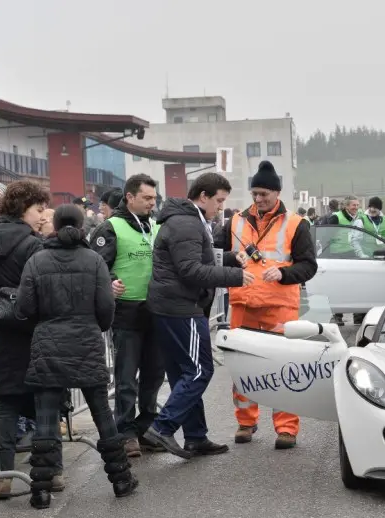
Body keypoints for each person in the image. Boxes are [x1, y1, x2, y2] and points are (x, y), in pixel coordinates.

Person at [16, 204, 138, 509]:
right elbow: (106, 307)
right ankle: (121, 480)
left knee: (45, 417)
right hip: (86, 341)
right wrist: (96, 326)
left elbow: (23, 308)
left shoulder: (37, 260)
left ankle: (40, 491)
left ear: (54, 226)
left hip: (48, 342)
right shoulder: (94, 260)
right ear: (82, 224)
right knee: (103, 415)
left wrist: (44, 325)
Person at [143, 173, 253, 458]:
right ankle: (162, 428)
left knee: (183, 373)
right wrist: (236, 275)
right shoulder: (186, 223)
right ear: (202, 196)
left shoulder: (184, 220)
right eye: (219, 200)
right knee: (201, 370)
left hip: (169, 305)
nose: (220, 207)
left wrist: (228, 257)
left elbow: (194, 259)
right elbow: (191, 270)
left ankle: (195, 436)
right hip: (181, 307)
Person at [0, 181, 60, 499]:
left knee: (6, 405)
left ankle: (3, 477)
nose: (42, 215)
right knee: (45, 404)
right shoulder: (34, 245)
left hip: (2, 334)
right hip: (36, 332)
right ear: (23, 209)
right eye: (38, 209)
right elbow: (45, 290)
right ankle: (50, 473)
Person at [219, 160, 317, 449]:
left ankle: (286, 429)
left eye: (264, 194)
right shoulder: (234, 221)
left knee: (283, 368)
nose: (259, 200)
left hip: (279, 306)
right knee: (242, 367)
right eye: (255, 194)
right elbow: (215, 253)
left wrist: (285, 273)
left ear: (277, 193)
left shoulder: (297, 224)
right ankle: (245, 422)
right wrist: (228, 259)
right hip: (243, 304)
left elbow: (309, 266)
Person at [90, 175, 166, 457]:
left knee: (154, 376)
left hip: (156, 311)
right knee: (126, 378)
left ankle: (146, 428)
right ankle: (126, 432)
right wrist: (109, 281)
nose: (151, 203)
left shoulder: (157, 225)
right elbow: (95, 265)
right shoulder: (111, 227)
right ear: (130, 197)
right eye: (146, 198)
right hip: (126, 313)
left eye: (154, 199)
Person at [325, 195, 361, 325]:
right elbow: (326, 237)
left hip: (352, 253)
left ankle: (358, 316)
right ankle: (337, 315)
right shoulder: (336, 217)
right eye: (353, 205)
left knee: (355, 285)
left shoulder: (357, 217)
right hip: (337, 255)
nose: (356, 207)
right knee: (338, 286)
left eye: (357, 205)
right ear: (346, 206)